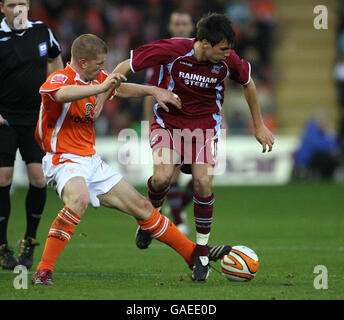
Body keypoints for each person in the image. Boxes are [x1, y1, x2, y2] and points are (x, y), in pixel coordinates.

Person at [31, 34, 229, 285]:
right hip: (62, 159)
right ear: (82, 62)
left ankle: (193, 254)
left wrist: (154, 90)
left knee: (143, 207)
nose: (103, 69)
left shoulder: (97, 79)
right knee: (78, 198)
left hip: (90, 160)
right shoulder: (61, 78)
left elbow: (120, 87)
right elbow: (61, 95)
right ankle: (43, 271)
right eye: (99, 64)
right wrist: (101, 88)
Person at [99, 13, 274, 281]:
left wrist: (259, 126)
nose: (227, 54)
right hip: (167, 123)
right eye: (223, 49)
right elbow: (125, 65)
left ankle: (201, 254)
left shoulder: (230, 61)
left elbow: (248, 84)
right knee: (161, 178)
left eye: (229, 49)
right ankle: (152, 217)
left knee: (203, 183)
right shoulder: (173, 50)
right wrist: (107, 89)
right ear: (204, 43)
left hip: (204, 128)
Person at [0, 0, 64, 270]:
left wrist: (57, 96)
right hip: (4, 119)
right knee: (3, 178)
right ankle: (2, 246)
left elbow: (56, 62)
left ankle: (29, 240)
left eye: (22, 3)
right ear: (2, 6)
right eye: (12, 4)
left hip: (36, 119)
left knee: (38, 179)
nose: (18, 8)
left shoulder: (42, 31)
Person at [143, 10, 195, 236]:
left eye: (185, 23)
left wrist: (220, 119)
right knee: (169, 176)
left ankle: (163, 208)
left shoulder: (202, 53)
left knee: (203, 180)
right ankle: (177, 218)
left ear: (192, 27)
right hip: (169, 122)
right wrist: (148, 124)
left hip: (199, 123)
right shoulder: (162, 54)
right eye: (177, 23)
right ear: (171, 28)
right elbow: (149, 92)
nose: (182, 27)